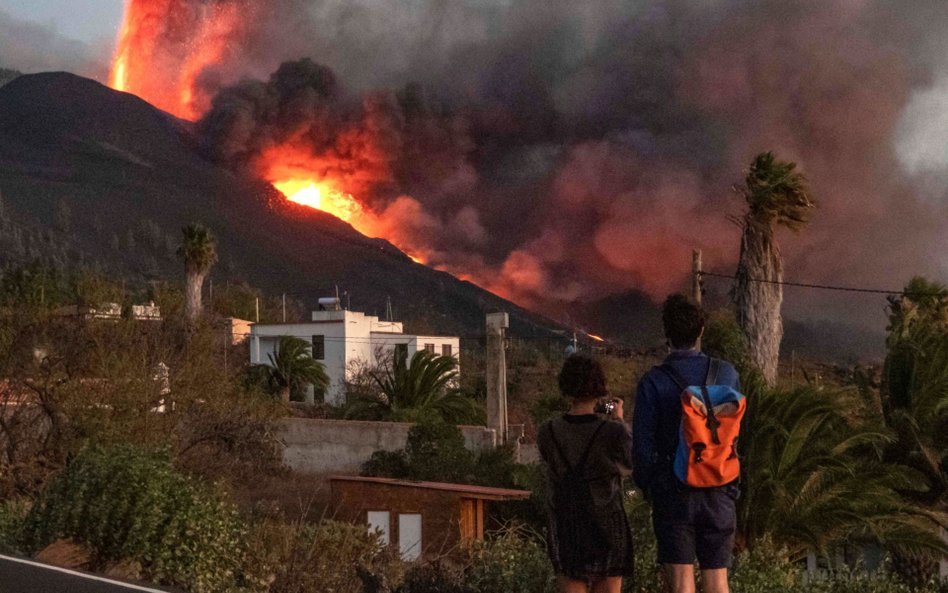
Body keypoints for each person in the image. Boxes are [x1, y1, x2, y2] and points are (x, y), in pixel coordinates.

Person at [632, 295, 741, 593]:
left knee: (681, 582)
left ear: (666, 333)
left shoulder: (653, 382)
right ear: (701, 329)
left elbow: (641, 449)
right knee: (718, 582)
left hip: (674, 490)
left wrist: (651, 487)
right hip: (719, 487)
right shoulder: (727, 375)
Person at [538, 354, 634, 593]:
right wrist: (619, 420)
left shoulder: (548, 431)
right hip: (607, 525)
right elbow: (631, 463)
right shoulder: (612, 432)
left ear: (566, 387)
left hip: (567, 526)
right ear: (599, 389)